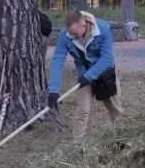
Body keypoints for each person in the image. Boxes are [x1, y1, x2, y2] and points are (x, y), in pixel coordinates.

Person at [47, 11, 123, 140]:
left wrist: (89, 76)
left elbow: (107, 58)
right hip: (84, 76)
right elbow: (58, 59)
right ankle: (78, 145)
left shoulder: (102, 29)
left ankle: (123, 138)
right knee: (82, 110)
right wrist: (53, 90)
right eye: (71, 33)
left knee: (115, 110)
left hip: (104, 74)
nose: (73, 36)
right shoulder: (65, 35)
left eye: (75, 33)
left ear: (85, 24)